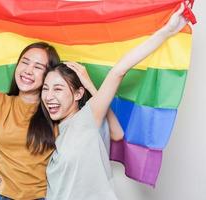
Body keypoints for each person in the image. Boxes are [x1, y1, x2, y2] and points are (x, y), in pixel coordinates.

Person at [0, 1, 124, 199]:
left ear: (49, 75)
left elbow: (116, 133)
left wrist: (88, 85)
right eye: (25, 62)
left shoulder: (56, 112)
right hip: (0, 196)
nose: (28, 70)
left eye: (38, 67)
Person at [38, 4, 188, 200]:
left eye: (58, 88)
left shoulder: (85, 119)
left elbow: (119, 71)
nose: (49, 96)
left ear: (77, 94)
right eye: (45, 89)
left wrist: (166, 31)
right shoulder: (58, 132)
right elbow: (116, 133)